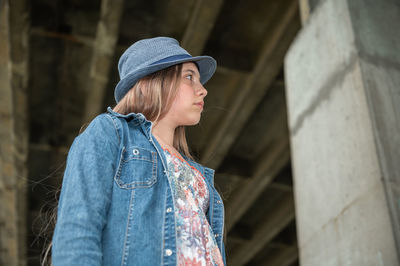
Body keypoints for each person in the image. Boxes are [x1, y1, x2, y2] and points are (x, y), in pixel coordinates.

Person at [51, 37, 226, 266]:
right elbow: (77, 233)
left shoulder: (196, 172)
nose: (202, 90)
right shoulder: (110, 132)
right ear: (148, 83)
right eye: (189, 77)